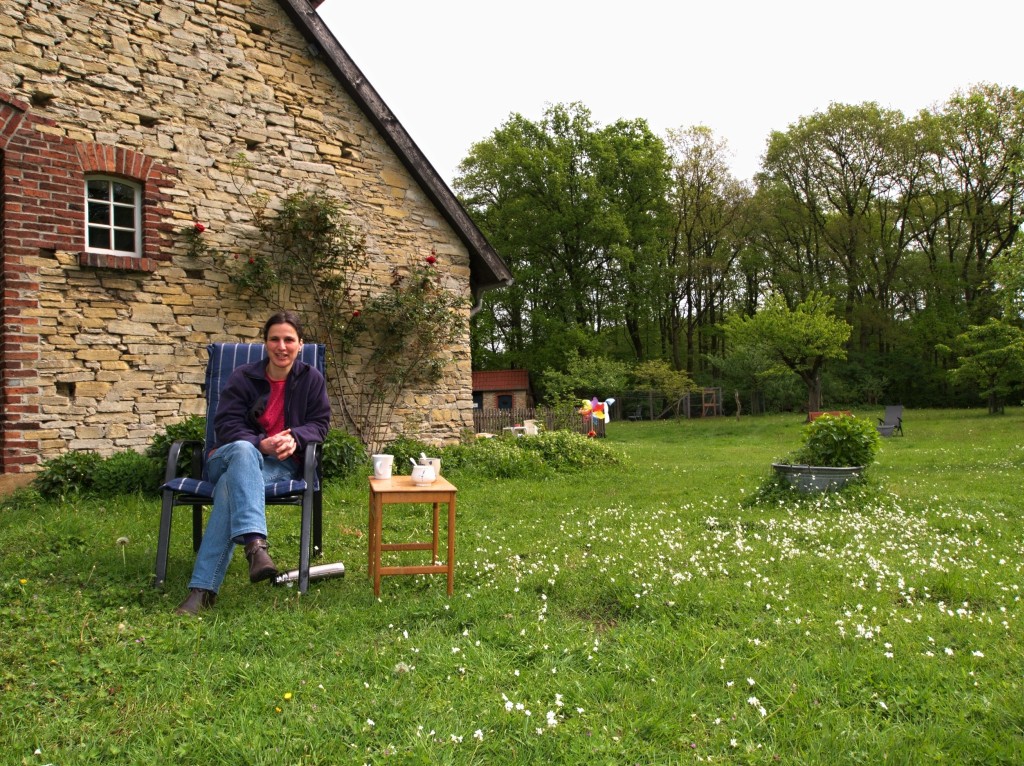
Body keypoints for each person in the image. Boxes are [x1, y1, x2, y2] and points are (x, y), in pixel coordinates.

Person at [175, 311, 331, 616]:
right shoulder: (244, 377)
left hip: (278, 466)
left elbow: (320, 424)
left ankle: (203, 590)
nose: (281, 346)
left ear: (300, 344)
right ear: (265, 343)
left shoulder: (311, 379)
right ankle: (256, 544)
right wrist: (260, 443)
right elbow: (226, 424)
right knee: (245, 452)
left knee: (228, 489)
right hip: (227, 456)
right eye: (275, 339)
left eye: (289, 339)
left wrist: (295, 438)